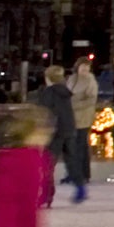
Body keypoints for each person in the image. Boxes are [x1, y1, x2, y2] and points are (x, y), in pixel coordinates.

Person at [37, 65, 75, 207]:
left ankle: (46, 194)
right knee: (49, 164)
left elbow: (45, 113)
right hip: (65, 131)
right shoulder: (65, 92)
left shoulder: (49, 93)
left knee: (46, 165)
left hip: (52, 132)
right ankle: (47, 194)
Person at [64, 58, 98, 202]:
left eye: (87, 67)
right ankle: (74, 173)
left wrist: (75, 104)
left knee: (81, 145)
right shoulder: (72, 79)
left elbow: (91, 99)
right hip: (72, 117)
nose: (84, 70)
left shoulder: (90, 80)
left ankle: (84, 174)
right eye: (82, 67)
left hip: (83, 117)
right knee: (72, 146)